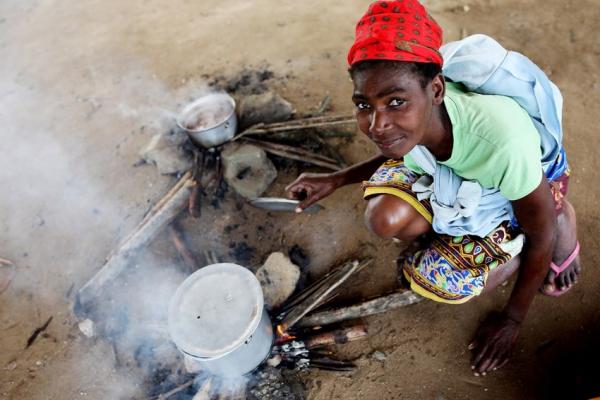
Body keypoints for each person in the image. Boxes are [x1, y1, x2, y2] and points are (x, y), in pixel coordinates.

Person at [285, 0, 581, 376]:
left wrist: (512, 321)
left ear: (436, 90)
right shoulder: (419, 122)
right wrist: (336, 179)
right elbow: (406, 152)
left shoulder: (500, 146)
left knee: (442, 282)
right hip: (459, 176)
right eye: (364, 104)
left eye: (395, 102)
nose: (377, 125)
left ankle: (549, 226)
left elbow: (541, 235)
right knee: (384, 218)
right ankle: (470, 230)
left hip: (524, 192)